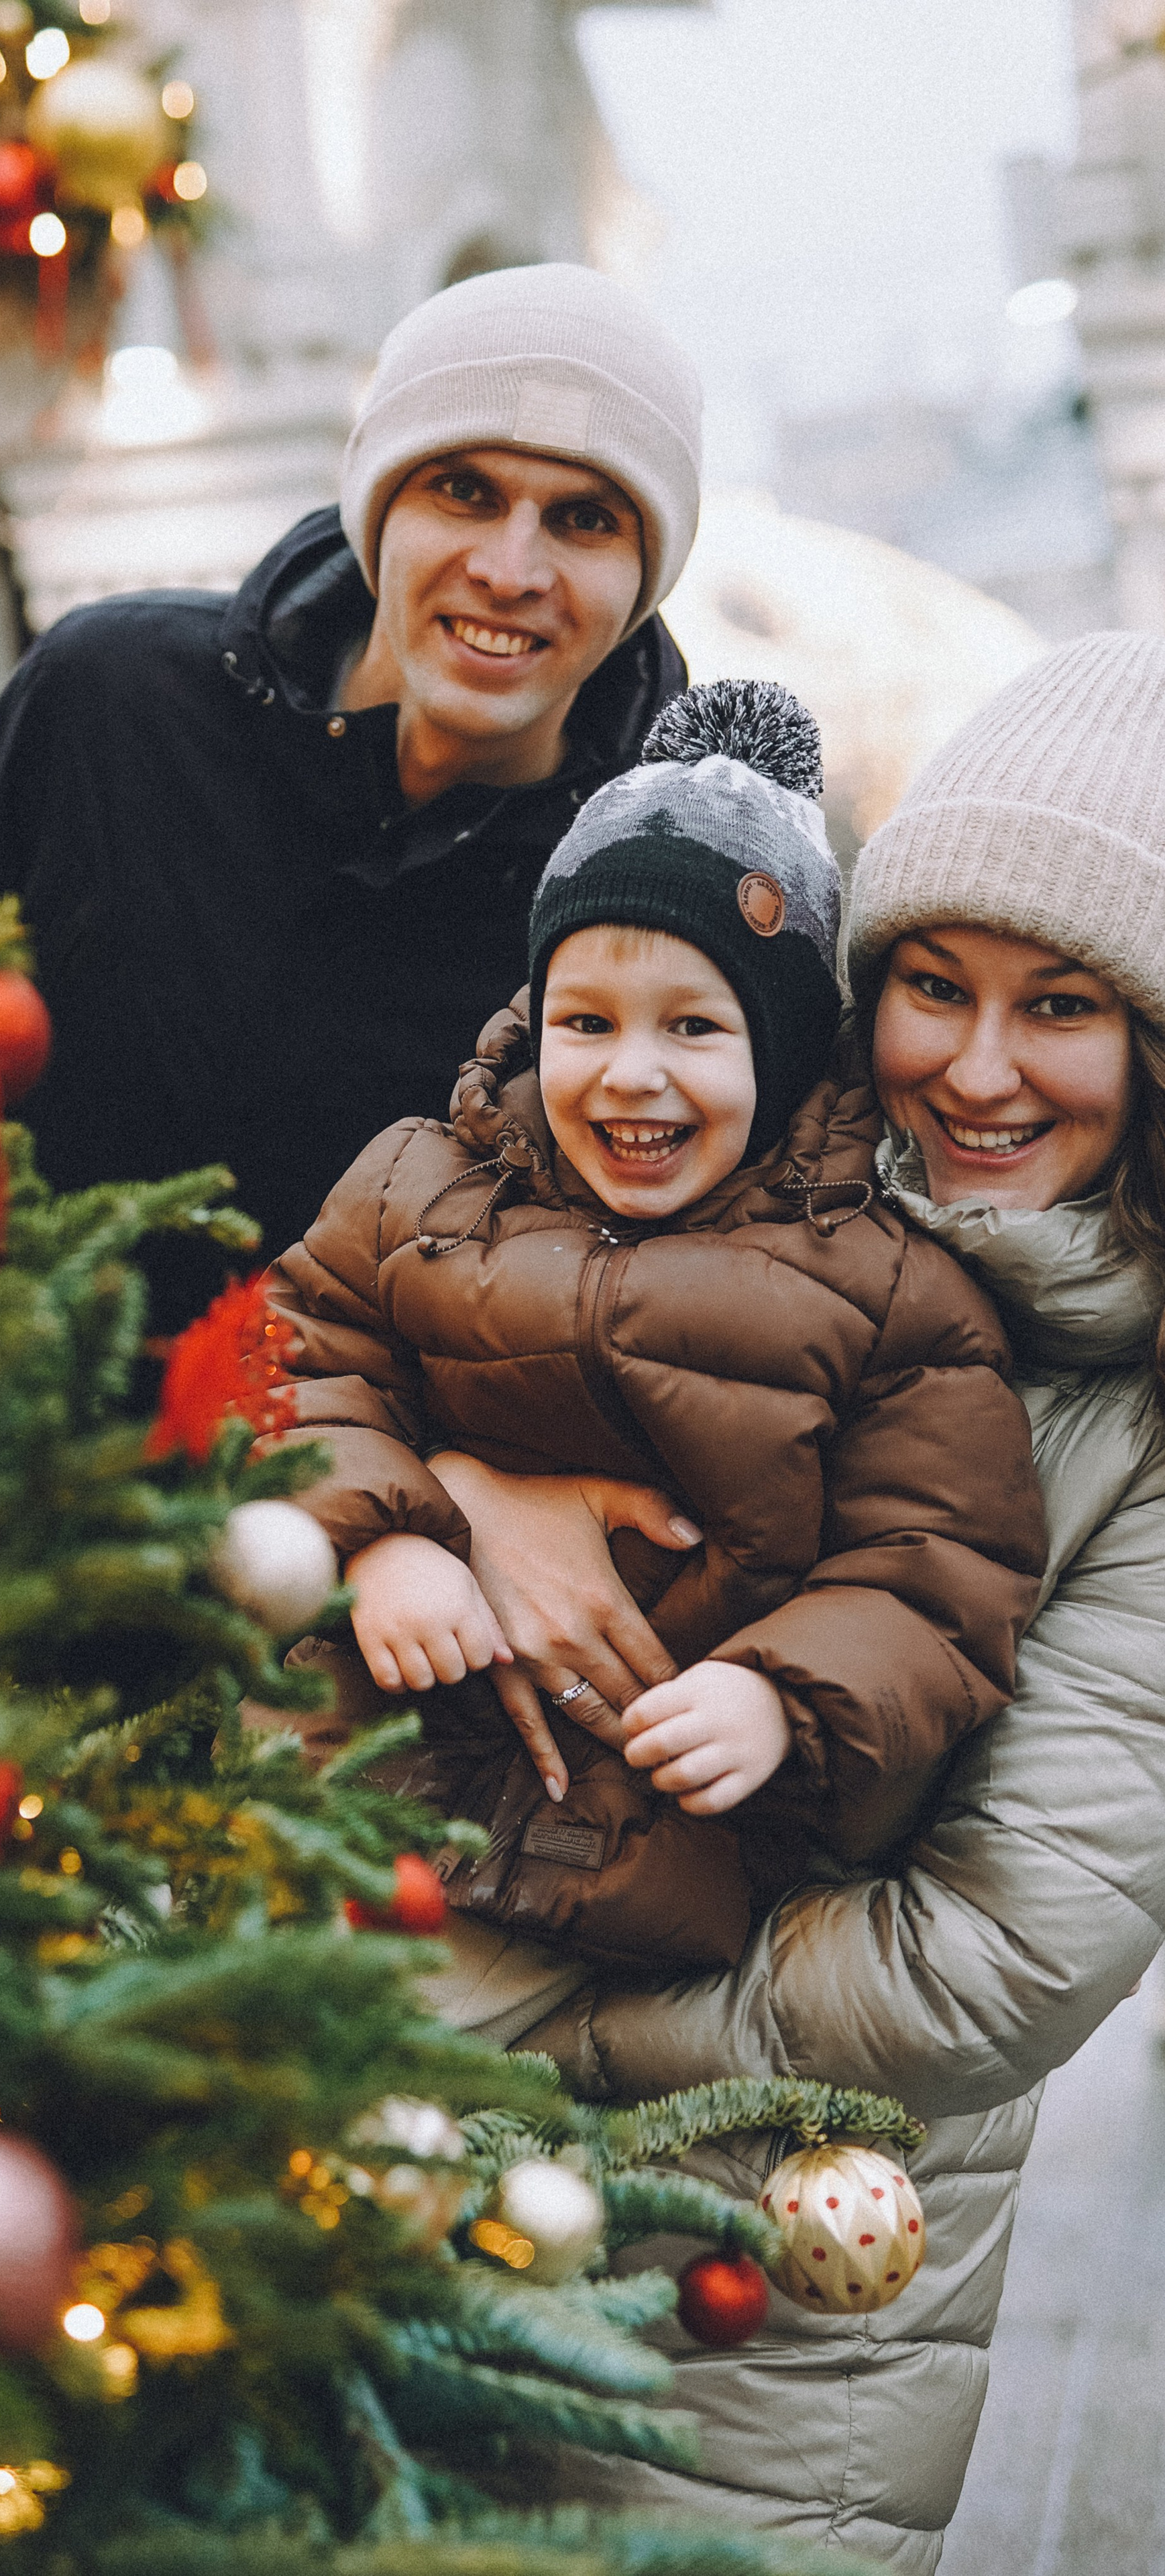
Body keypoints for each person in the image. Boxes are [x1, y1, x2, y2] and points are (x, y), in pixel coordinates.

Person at [419, 629, 1165, 2570]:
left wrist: (527, 2018)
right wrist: (475, 1498)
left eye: (1062, 1007)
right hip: (428, 2212)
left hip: (772, 2285)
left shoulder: (1138, 1428)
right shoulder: (725, 1208)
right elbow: (365, 1362)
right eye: (933, 986)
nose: (977, 1069)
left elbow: (988, 1957)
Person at [267, 679, 1043, 1975]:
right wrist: (383, 1541)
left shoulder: (886, 1286)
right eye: (587, 1022)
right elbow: (294, 1365)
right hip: (353, 1792)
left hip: (635, 1870)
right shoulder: (421, 1186)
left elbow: (940, 1567)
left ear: (784, 1051)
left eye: (695, 1026)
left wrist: (781, 1696)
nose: (633, 1072)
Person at [0, 266, 701, 1321]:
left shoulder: (650, 884)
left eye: (585, 519)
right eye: (464, 490)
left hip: (379, 1482)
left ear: (644, 579)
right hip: (2, 1449)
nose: (511, 568)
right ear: (378, 511)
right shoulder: (110, 699)